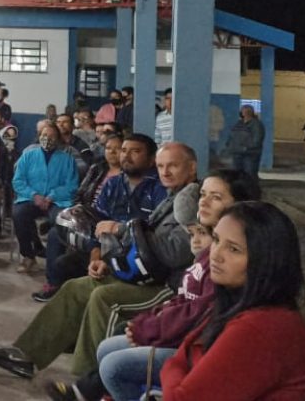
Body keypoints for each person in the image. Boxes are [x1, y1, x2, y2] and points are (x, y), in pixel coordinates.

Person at [0, 142, 201, 382]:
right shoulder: (171, 197)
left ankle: (87, 382)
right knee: (76, 287)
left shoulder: (192, 202)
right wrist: (112, 261)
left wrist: (122, 229)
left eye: (173, 166)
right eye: (161, 166)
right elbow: (145, 243)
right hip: (147, 274)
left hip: (168, 287)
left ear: (191, 168)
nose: (165, 171)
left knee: (104, 298)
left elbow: (174, 253)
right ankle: (25, 355)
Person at [74, 170, 263, 401]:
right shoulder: (208, 248)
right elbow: (186, 299)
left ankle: (91, 390)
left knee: (114, 365)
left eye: (216, 197)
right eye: (203, 194)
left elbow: (198, 315)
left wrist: (152, 331)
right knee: (108, 345)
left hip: (197, 346)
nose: (203, 201)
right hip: (188, 337)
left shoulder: (238, 263)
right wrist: (150, 324)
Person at [159, 202, 305, 400]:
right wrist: (179, 363)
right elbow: (188, 351)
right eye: (216, 240)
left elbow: (180, 390)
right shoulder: (240, 303)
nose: (216, 255)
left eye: (234, 249)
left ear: (266, 261)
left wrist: (174, 365)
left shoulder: (261, 327)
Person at [38, 134, 168, 302]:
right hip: (106, 248)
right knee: (62, 265)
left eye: (135, 151)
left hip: (138, 258)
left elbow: (153, 232)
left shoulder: (159, 188)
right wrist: (96, 255)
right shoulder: (113, 184)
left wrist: (116, 247)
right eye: (124, 151)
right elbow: (96, 222)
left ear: (151, 160)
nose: (126, 156)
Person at [11, 122, 78, 274]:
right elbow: (18, 181)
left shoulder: (67, 159)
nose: (47, 139)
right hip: (31, 199)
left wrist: (51, 197)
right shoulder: (28, 155)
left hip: (57, 201)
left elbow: (71, 186)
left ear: (58, 139)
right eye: (44, 135)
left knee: (61, 221)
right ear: (39, 137)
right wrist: (34, 195)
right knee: (18, 214)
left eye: (52, 136)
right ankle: (28, 256)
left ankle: (55, 260)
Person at [224, 105, 266, 179]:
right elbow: (232, 135)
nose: (244, 113)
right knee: (237, 175)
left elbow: (257, 140)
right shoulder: (239, 123)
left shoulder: (256, 125)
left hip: (250, 154)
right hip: (237, 153)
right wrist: (230, 146)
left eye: (246, 111)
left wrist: (246, 148)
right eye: (243, 111)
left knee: (249, 174)